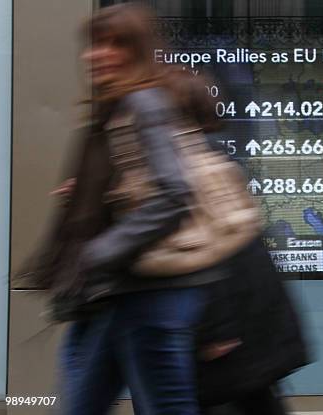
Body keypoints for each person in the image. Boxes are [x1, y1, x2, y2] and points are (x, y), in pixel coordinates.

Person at [23, 4, 232, 414]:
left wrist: (101, 250)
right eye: (94, 44)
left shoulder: (143, 105)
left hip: (149, 289)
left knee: (159, 406)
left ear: (138, 51)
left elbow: (173, 194)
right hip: (122, 289)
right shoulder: (117, 107)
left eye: (114, 44)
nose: (96, 55)